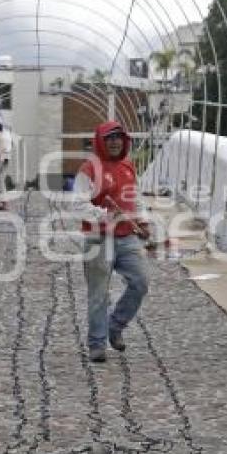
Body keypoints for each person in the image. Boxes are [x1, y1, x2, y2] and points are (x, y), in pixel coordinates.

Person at [70, 121, 150, 363]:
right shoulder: (88, 169)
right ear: (100, 141)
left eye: (118, 137)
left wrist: (143, 222)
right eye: (109, 138)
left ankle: (115, 325)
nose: (115, 142)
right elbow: (78, 205)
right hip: (99, 238)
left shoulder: (128, 165)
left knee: (140, 282)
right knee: (99, 294)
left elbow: (135, 197)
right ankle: (97, 343)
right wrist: (104, 215)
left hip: (127, 236)